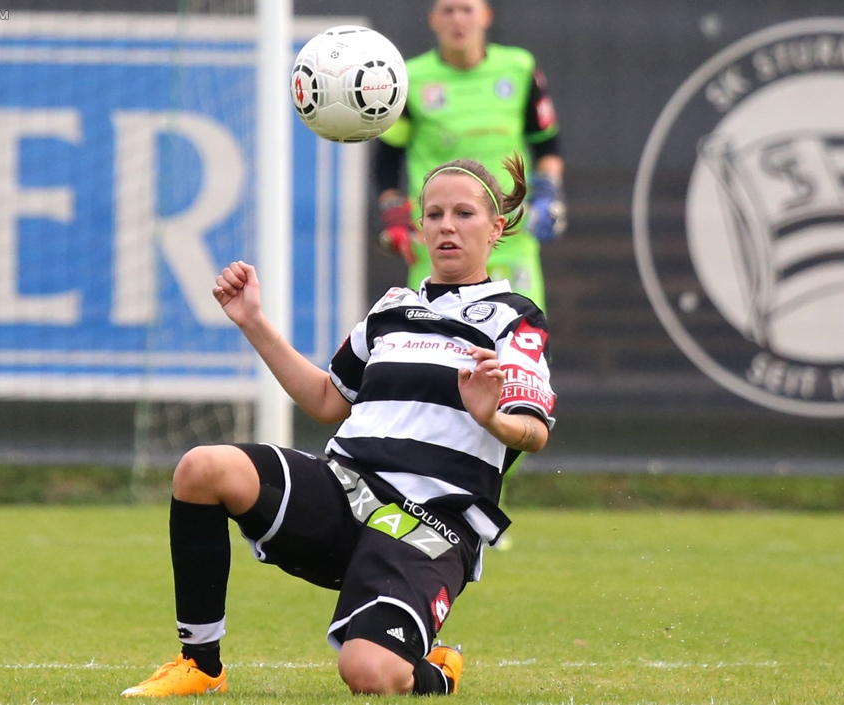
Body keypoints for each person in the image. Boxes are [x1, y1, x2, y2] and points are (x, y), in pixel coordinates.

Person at [121, 154, 556, 698]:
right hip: (343, 489)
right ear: (420, 225)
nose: (447, 226)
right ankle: (201, 663)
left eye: (464, 214)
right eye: (435, 213)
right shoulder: (392, 309)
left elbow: (535, 432)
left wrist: (490, 415)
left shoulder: (514, 317)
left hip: (428, 521)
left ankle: (434, 671)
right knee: (202, 468)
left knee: (369, 674)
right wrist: (253, 322)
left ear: (495, 229)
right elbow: (329, 399)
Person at [376, 0, 566, 312]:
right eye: (448, 11)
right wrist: (393, 212)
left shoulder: (519, 69)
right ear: (433, 20)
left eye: (466, 9)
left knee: (520, 348)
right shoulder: (410, 79)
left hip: (509, 238)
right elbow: (387, 160)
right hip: (440, 244)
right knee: (435, 349)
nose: (457, 20)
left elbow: (547, 145)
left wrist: (548, 194)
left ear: (486, 16)